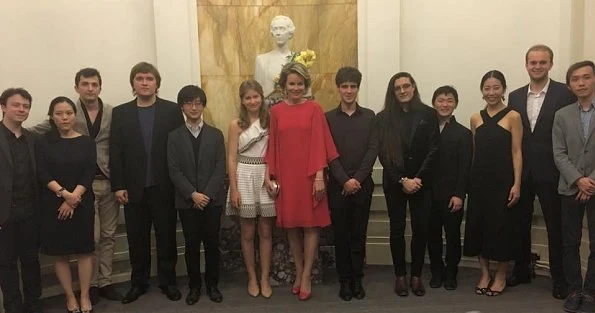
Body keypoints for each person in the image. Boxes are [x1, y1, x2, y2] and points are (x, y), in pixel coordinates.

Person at [29, 68, 123, 304]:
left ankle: (106, 281)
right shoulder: (68, 110)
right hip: (84, 186)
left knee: (109, 235)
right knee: (91, 238)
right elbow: (38, 130)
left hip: (108, 180)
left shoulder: (113, 112)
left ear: (100, 87)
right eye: (85, 84)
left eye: (94, 84)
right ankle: (89, 286)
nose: (90, 88)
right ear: (77, 87)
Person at [109, 62, 184, 304]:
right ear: (133, 83)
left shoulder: (172, 111)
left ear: (157, 83)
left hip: (165, 187)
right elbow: (116, 151)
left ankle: (168, 282)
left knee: (166, 237)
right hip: (133, 189)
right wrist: (118, 185)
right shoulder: (121, 113)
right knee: (137, 239)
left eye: (149, 78)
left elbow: (178, 150)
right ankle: (138, 283)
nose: (144, 82)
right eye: (139, 78)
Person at [507, 45, 576, 299]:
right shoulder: (514, 97)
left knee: (555, 227)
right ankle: (521, 268)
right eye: (532, 62)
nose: (537, 66)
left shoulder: (564, 94)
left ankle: (559, 278)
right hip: (521, 172)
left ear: (550, 64)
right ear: (526, 65)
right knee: (519, 224)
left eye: (542, 62)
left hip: (553, 171)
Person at [265, 62, 339, 300]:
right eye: (291, 84)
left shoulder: (315, 109)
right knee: (292, 226)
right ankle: (298, 271)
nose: (295, 88)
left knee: (310, 225)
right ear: (284, 86)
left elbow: (320, 142)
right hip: (287, 175)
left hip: (309, 176)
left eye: (299, 84)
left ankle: (306, 275)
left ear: (305, 85)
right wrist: (270, 174)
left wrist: (319, 176)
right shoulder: (276, 111)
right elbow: (273, 145)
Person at [375, 72, 439, 297]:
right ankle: (400, 276)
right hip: (395, 183)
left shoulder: (429, 114)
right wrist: (402, 180)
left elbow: (433, 149)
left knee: (421, 230)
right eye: (397, 88)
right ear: (392, 92)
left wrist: (417, 179)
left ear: (413, 87)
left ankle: (416, 276)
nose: (402, 91)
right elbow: (383, 153)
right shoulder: (383, 118)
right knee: (397, 230)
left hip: (422, 183)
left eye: (406, 86)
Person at [464, 70, 523, 297]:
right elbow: (475, 151)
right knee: (479, 227)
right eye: (487, 88)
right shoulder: (475, 118)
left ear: (503, 89)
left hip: (503, 181)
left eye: (496, 87)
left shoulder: (513, 117)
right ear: (482, 91)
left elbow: (517, 152)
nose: (491, 92)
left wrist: (516, 183)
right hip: (479, 181)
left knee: (502, 228)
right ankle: (485, 273)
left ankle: (500, 276)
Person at [36, 96, 97, 313]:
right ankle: (70, 296)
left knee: (84, 251)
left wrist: (73, 199)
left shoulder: (87, 142)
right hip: (53, 203)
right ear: (52, 116)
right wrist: (63, 194)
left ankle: (85, 295)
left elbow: (89, 171)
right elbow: (42, 172)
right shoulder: (43, 141)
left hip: (82, 202)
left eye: (69, 113)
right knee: (60, 253)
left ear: (75, 115)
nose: (64, 117)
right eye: (59, 113)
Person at [167, 85, 226, 304]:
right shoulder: (173, 137)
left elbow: (220, 167)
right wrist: (192, 194)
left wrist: (206, 195)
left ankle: (213, 285)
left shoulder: (216, 134)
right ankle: (194, 287)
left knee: (212, 245)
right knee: (191, 246)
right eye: (189, 103)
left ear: (203, 105)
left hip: (212, 201)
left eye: (198, 102)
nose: (194, 107)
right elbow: (173, 169)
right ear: (182, 106)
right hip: (187, 202)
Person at [325, 66, 377, 301]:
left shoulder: (369, 116)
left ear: (358, 88)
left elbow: (372, 150)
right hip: (337, 186)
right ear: (338, 88)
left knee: (359, 235)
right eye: (344, 86)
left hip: (363, 185)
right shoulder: (328, 118)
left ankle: (357, 279)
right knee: (341, 236)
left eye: (352, 86)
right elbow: (328, 152)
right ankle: (344, 281)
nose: (348, 90)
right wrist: (345, 180)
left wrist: (357, 179)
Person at [225, 79, 276, 298]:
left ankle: (265, 277)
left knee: (265, 231)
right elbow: (231, 158)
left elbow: (275, 152)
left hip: (264, 175)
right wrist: (234, 189)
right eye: (248, 97)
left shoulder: (270, 121)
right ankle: (252, 277)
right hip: (243, 175)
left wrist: (269, 176)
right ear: (242, 100)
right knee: (247, 232)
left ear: (262, 97)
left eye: (256, 96)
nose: (253, 101)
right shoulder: (236, 124)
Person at [552, 60, 595, 313]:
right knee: (569, 242)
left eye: (586, 77)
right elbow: (558, 153)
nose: (581, 83)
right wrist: (578, 180)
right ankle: (574, 289)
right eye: (576, 79)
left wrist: (590, 181)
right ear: (569, 85)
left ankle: (590, 292)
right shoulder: (562, 115)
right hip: (570, 187)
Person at [0, 88, 42, 313]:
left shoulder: (32, 139)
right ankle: (13, 308)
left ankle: (34, 304)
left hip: (30, 212)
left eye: (26, 106)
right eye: (16, 105)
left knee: (31, 261)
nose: (21, 109)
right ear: (3, 107)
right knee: (6, 265)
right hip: (3, 214)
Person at [427, 86, 472, 291]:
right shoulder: (425, 130)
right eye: (441, 100)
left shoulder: (463, 133)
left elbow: (465, 167)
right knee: (432, 235)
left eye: (449, 100)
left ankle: (451, 272)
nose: (445, 105)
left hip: (452, 194)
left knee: (453, 235)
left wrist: (459, 194)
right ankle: (436, 271)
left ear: (455, 104)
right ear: (433, 103)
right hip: (427, 194)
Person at [255, 15, 295, 97]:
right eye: (275, 29)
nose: (278, 33)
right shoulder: (261, 60)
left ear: (290, 33)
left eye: (282, 29)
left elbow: (306, 94)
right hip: (270, 107)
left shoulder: (300, 59)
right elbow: (257, 93)